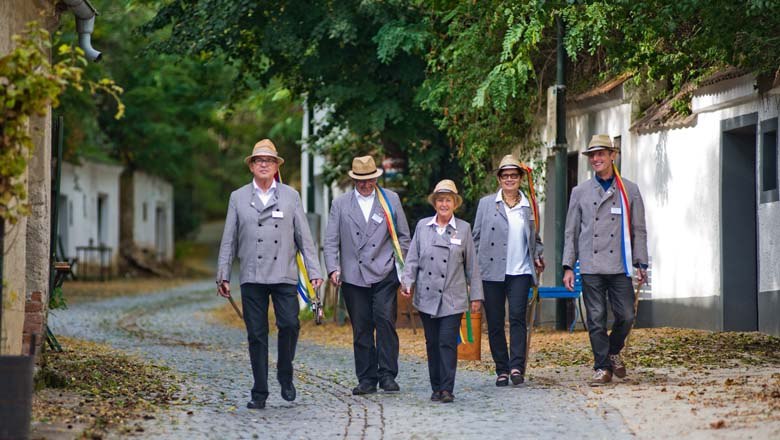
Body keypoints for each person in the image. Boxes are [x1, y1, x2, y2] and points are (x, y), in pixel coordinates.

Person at [216, 139, 323, 409]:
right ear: (252, 166)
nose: (264, 164)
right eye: (259, 160)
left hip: (284, 274)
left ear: (276, 166)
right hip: (252, 276)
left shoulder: (290, 196)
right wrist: (223, 275)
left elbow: (304, 237)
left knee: (289, 324)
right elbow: (228, 239)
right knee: (256, 334)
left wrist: (314, 272)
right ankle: (259, 391)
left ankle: (285, 373)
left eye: (269, 160)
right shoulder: (238, 197)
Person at [562, 134, 648, 386]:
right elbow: (571, 231)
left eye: (601, 154)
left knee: (626, 316)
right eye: (592, 155)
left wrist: (641, 262)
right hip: (590, 264)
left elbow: (639, 229)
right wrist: (568, 265)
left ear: (613, 155)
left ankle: (612, 351)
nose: (596, 159)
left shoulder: (629, 190)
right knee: (596, 318)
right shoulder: (580, 192)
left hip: (620, 264)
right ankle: (602, 367)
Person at [323, 155, 411, 395]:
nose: (365, 184)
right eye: (360, 180)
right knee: (361, 327)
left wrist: (402, 267)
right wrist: (333, 268)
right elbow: (331, 241)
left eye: (369, 179)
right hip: (353, 275)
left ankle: (388, 374)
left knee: (384, 321)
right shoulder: (340, 204)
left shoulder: (390, 200)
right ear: (354, 180)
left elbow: (403, 236)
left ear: (375, 178)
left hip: (384, 272)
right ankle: (366, 378)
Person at [401, 179, 483, 403]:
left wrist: (476, 295)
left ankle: (447, 388)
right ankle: (435, 387)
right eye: (440, 200)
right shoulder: (422, 226)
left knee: (447, 341)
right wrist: (407, 282)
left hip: (452, 296)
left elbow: (472, 266)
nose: (444, 204)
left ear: (454, 203)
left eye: (448, 200)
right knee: (432, 342)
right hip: (426, 296)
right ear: (434, 203)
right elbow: (413, 258)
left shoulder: (463, 229)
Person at [473, 154, 544, 387]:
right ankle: (501, 369)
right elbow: (475, 238)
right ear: (499, 179)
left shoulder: (529, 205)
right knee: (494, 322)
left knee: (516, 318)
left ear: (520, 178)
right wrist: (474, 270)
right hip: (491, 272)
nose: (510, 180)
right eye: (505, 176)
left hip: (520, 271)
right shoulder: (486, 204)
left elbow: (536, 239)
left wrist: (538, 255)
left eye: (514, 175)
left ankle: (516, 367)